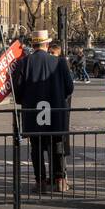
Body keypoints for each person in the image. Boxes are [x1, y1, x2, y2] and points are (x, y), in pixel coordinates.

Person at [12, 30, 74, 193]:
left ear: (33, 45)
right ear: (46, 44)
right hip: (56, 111)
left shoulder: (24, 62)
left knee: (37, 148)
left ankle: (40, 182)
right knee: (57, 146)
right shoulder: (60, 62)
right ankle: (60, 180)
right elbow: (70, 88)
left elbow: (17, 91)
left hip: (34, 113)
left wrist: (23, 100)